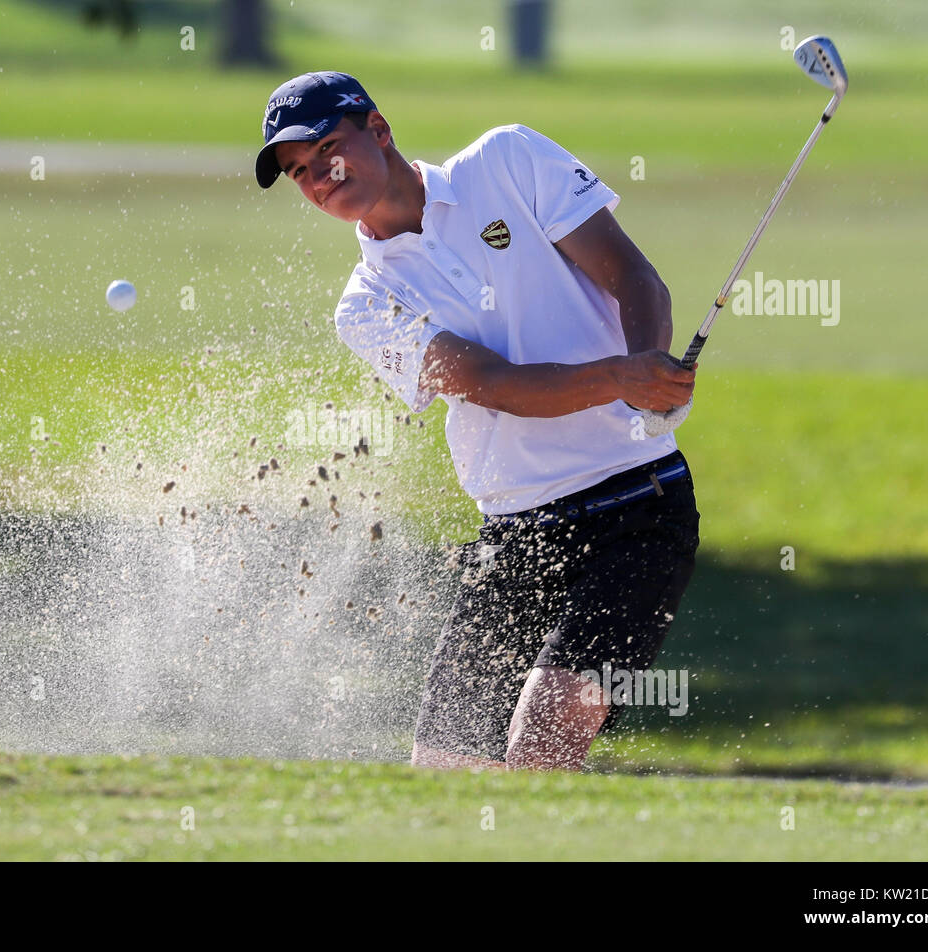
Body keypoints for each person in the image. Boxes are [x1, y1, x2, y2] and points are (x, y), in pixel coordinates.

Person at [255, 71, 700, 770]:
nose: (317, 178)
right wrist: (620, 378)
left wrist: (650, 366)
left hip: (639, 509)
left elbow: (634, 279)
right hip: (518, 534)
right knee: (444, 773)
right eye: (298, 172)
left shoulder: (508, 160)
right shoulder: (366, 304)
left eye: (327, 151)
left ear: (378, 128)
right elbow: (494, 385)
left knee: (546, 734)